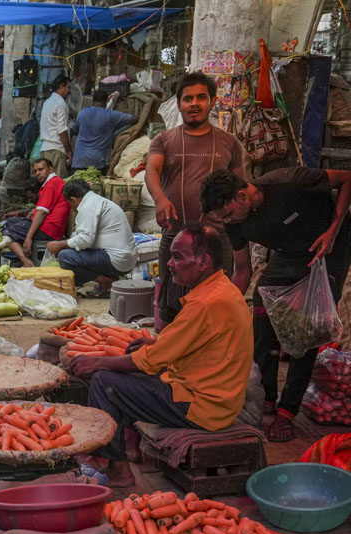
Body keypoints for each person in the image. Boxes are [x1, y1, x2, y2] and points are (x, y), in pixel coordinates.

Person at [69, 226, 253, 488]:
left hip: (202, 407)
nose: (170, 264)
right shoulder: (222, 289)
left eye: (178, 257)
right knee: (126, 371)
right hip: (215, 398)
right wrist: (156, 343)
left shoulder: (206, 303)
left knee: (104, 381)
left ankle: (119, 470)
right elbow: (193, 343)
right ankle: (126, 450)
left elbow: (149, 361)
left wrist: (98, 361)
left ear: (203, 262)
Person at [200, 167, 351, 442]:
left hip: (329, 248)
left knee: (307, 326)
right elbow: (242, 271)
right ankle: (267, 395)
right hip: (288, 254)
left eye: (229, 215)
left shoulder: (288, 182)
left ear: (243, 196)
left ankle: (287, 410)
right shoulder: (233, 223)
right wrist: (221, 311)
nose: (228, 222)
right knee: (261, 306)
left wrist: (333, 231)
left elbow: (346, 178)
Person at [145, 72, 248, 324]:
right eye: (188, 99)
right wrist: (160, 199)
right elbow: (151, 171)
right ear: (178, 104)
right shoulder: (164, 140)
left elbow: (239, 189)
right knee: (171, 309)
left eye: (201, 97)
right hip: (175, 236)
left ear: (212, 102)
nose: (195, 104)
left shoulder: (229, 143)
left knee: (214, 310)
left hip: (217, 239)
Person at [46, 179, 136, 289]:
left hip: (116, 260)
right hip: (125, 259)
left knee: (65, 256)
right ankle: (109, 279)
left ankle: (105, 281)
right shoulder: (95, 200)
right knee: (72, 249)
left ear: (73, 200)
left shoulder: (88, 206)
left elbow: (85, 240)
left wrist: (60, 244)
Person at [0, 156, 69, 266]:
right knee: (10, 222)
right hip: (51, 227)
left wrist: (28, 238)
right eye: (36, 171)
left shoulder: (51, 184)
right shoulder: (54, 182)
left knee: (6, 232)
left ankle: (26, 262)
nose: (37, 173)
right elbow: (42, 209)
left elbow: (42, 213)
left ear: (51, 169)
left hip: (48, 229)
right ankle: (22, 255)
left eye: (41, 169)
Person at [71, 90, 136, 172]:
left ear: (93, 101)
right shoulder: (111, 116)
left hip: (79, 160)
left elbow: (75, 131)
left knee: (76, 184)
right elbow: (133, 119)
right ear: (106, 102)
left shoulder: (82, 113)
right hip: (98, 162)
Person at [39, 76, 72, 177]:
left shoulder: (47, 102)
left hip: (45, 149)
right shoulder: (61, 103)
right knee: (57, 184)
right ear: (61, 87)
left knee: (47, 183)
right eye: (68, 87)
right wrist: (69, 151)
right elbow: (62, 130)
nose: (69, 91)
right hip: (56, 149)